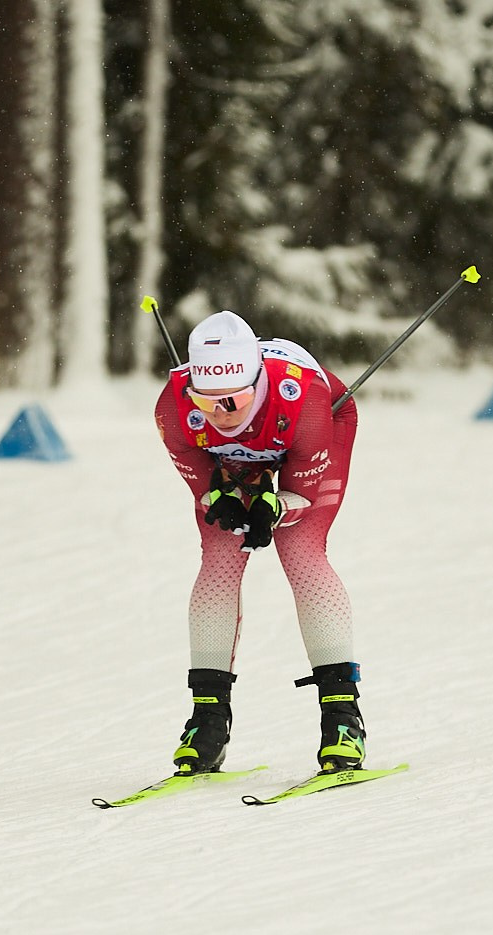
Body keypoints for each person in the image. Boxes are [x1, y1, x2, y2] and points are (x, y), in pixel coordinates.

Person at [154, 310, 364, 777]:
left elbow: (303, 498)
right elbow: (204, 482)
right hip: (235, 457)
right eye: (208, 403)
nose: (222, 415)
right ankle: (207, 722)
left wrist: (272, 506)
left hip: (311, 430)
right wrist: (223, 497)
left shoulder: (304, 398)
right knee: (219, 556)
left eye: (234, 400)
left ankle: (343, 720)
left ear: (256, 384)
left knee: (301, 551)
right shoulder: (174, 409)